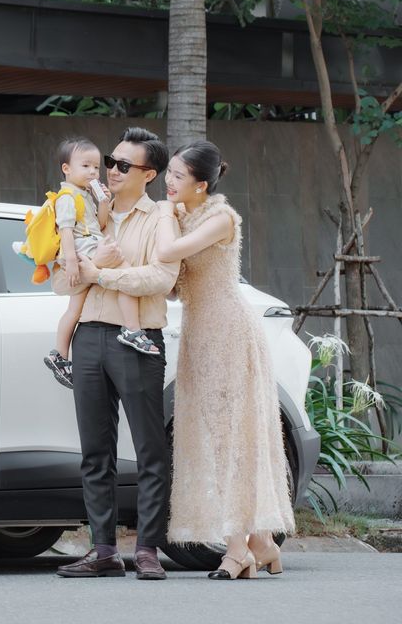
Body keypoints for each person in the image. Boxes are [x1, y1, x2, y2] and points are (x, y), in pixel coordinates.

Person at [153, 141, 295, 579]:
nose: (169, 181)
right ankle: (262, 542)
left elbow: (167, 253)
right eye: (169, 173)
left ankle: (238, 551)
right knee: (216, 439)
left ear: (201, 184)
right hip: (200, 335)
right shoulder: (185, 217)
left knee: (232, 438)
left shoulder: (221, 218)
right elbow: (173, 285)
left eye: (178, 175)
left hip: (230, 332)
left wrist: (163, 215)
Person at [52, 127, 180, 581]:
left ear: (149, 174)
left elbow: (160, 278)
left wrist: (99, 273)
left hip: (137, 337)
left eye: (124, 165)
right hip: (88, 335)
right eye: (110, 160)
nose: (111, 169)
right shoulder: (84, 208)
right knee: (94, 451)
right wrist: (86, 267)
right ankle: (103, 550)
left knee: (149, 448)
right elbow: (61, 280)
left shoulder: (160, 217)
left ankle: (147, 549)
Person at [39, 138, 161, 391]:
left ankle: (60, 354)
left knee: (74, 309)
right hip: (82, 249)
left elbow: (101, 224)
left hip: (86, 247)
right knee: (125, 271)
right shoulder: (67, 197)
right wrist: (74, 262)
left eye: (96, 167)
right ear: (66, 169)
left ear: (149, 175)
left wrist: (103, 202)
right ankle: (132, 329)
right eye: (87, 166)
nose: (95, 172)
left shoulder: (85, 195)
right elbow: (66, 231)